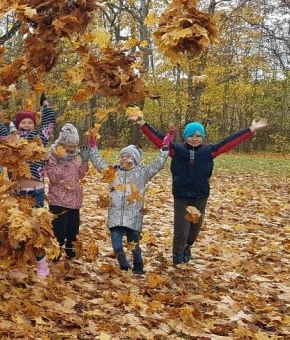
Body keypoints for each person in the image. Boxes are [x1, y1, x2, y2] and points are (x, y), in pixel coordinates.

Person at [130, 111, 268, 265]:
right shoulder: (176, 150)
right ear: (185, 137)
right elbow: (158, 139)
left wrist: (251, 129)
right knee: (181, 230)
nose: (194, 139)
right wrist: (142, 123)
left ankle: (187, 247)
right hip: (181, 195)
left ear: (203, 138)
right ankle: (177, 258)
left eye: (198, 136)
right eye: (191, 136)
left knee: (193, 231)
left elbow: (230, 142)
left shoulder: (209, 151)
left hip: (201, 195)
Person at [0, 97, 56, 276]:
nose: (26, 125)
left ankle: (42, 265)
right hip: (17, 193)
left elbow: (49, 124)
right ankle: (18, 263)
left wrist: (46, 107)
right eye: (23, 122)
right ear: (18, 125)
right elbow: (1, 131)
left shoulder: (39, 138)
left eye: (29, 122)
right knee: (16, 229)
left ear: (34, 125)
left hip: (36, 192)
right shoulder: (12, 139)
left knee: (36, 229)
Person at [88, 132, 171, 274]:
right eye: (123, 156)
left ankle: (138, 264)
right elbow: (98, 162)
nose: (125, 159)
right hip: (115, 215)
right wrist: (93, 146)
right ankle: (124, 266)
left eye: (128, 156)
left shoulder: (142, 173)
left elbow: (157, 165)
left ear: (135, 160)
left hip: (133, 217)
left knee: (134, 246)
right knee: (116, 246)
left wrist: (164, 148)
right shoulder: (112, 172)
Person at [41, 123, 89, 260]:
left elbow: (80, 174)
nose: (73, 149)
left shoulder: (73, 156)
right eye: (71, 146)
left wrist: (84, 162)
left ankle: (70, 249)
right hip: (58, 199)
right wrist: (62, 163)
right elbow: (53, 177)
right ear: (63, 143)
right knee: (59, 229)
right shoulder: (53, 155)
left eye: (75, 146)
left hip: (74, 199)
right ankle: (55, 251)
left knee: (73, 229)